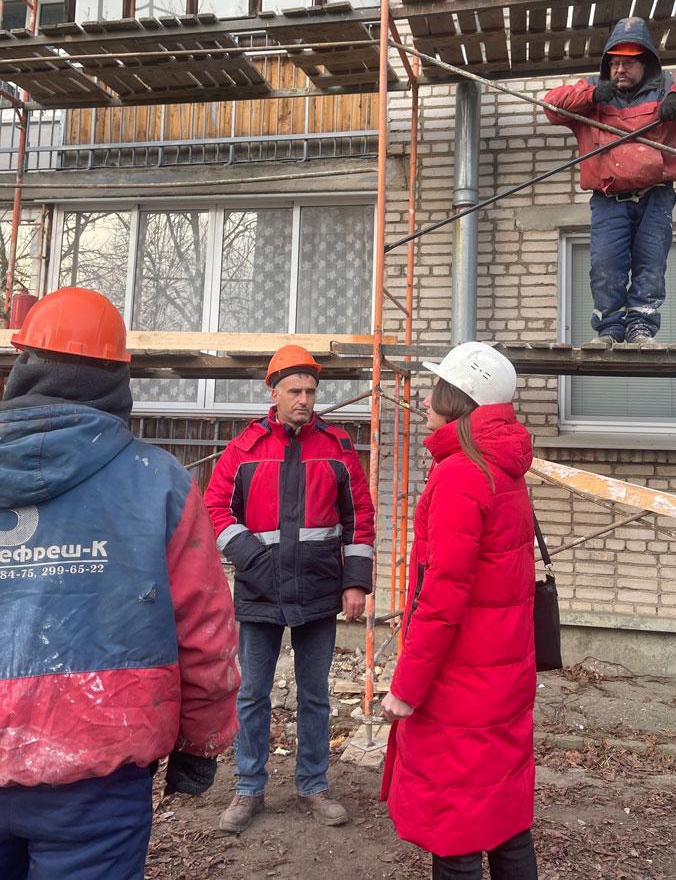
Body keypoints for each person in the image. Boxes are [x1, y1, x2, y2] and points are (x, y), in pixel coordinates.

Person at [0, 287, 239, 880]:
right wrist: (200, 742)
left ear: (23, 365)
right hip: (99, 773)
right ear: (117, 378)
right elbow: (204, 631)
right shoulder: (158, 481)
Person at [380, 341, 538, 880]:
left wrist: (406, 689)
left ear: (460, 399)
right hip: (501, 675)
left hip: (459, 685)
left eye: (436, 389)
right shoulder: (503, 466)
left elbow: (441, 597)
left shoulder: (461, 474)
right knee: (505, 814)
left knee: (455, 828)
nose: (426, 400)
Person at [205, 344, 375, 833]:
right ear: (274, 393)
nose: (304, 399)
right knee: (252, 695)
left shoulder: (338, 447)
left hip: (319, 591)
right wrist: (253, 559)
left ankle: (313, 785)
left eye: (311, 391)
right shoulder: (243, 450)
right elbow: (215, 509)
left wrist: (356, 583)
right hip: (260, 590)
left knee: (315, 695)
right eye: (295, 390)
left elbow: (359, 517)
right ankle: (248, 788)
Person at [544, 16, 676, 345]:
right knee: (605, 264)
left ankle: (641, 327)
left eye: (628, 63)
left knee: (651, 263)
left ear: (645, 63)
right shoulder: (592, 95)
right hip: (608, 199)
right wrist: (591, 95)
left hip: (655, 196)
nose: (620, 70)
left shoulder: (669, 87)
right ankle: (609, 329)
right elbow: (552, 105)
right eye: (614, 63)